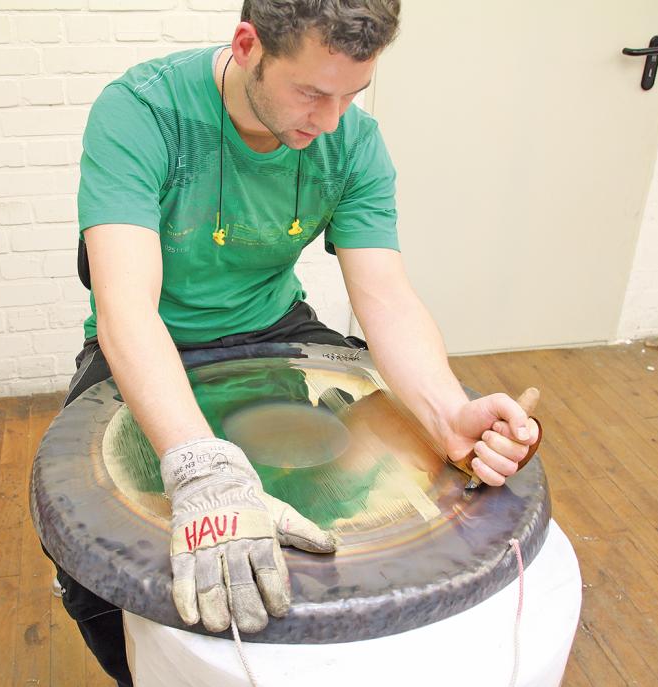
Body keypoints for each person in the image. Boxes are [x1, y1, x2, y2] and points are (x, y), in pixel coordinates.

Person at [43, 2, 540, 684]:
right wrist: (198, 464)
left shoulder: (353, 142)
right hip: (153, 336)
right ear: (248, 45)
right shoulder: (141, 111)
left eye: (352, 95)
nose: (331, 120)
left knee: (356, 495)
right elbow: (126, 308)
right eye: (311, 92)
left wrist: (449, 411)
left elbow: (386, 296)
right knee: (96, 560)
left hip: (274, 326)